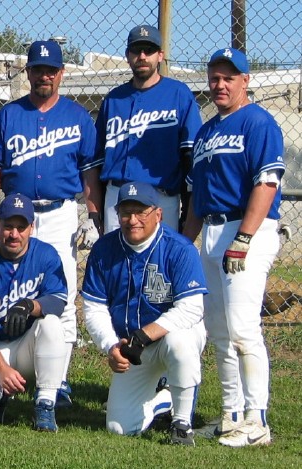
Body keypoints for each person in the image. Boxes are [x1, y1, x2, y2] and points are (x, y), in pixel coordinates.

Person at [0, 40, 102, 407]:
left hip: (61, 212)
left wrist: (93, 215)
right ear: (27, 72)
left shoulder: (78, 117)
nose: (44, 75)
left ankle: (57, 381)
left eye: (51, 70)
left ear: (61, 74)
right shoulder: (9, 115)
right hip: (17, 216)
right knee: (6, 293)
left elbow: (90, 171)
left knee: (60, 295)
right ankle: (8, 364)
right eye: (37, 69)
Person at [182, 48, 285, 447]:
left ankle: (257, 421)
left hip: (246, 228)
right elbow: (195, 198)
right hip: (210, 230)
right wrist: (185, 244)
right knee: (219, 332)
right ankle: (231, 414)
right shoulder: (207, 131)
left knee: (243, 329)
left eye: (229, 77)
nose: (220, 84)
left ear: (246, 81)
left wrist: (244, 237)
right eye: (214, 77)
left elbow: (267, 183)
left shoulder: (258, 121)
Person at [84, 182, 207, 445]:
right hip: (132, 348)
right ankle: (164, 397)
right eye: (126, 212)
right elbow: (94, 308)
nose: (133, 220)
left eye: (141, 212)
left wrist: (146, 335)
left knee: (181, 342)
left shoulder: (179, 248)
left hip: (167, 339)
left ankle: (182, 423)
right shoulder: (104, 249)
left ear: (158, 214)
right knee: (120, 428)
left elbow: (192, 308)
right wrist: (111, 346)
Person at [0, 194, 69, 432]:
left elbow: (59, 300)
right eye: (8, 226)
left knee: (52, 324)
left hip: (27, 346)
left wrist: (30, 305)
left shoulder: (45, 255)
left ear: (31, 228)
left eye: (21, 227)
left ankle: (45, 403)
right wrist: (0, 368)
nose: (14, 234)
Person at [95, 25, 202, 233]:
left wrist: (187, 208)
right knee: (116, 263)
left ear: (160, 55)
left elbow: (190, 156)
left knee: (160, 262)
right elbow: (97, 159)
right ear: (127, 55)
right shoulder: (114, 99)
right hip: (117, 196)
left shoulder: (179, 94)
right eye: (136, 50)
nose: (142, 56)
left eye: (149, 50)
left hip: (161, 196)